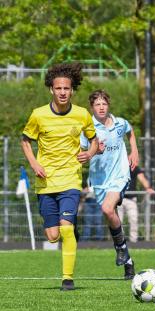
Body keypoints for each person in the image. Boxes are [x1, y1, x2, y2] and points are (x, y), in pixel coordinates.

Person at [21, 63, 98, 291]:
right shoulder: (39, 115)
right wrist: (34, 163)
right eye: (58, 88)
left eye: (67, 88)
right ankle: (66, 228)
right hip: (45, 182)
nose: (63, 92)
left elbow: (94, 140)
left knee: (66, 228)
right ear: (51, 90)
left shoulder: (82, 114)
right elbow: (25, 141)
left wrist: (90, 153)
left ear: (72, 90)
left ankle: (67, 278)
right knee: (53, 236)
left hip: (70, 180)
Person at [80, 89, 138, 279]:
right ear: (92, 107)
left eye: (104, 103)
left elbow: (130, 132)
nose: (101, 107)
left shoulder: (120, 123)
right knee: (109, 213)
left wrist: (134, 151)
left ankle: (121, 249)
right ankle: (127, 258)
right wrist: (93, 151)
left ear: (108, 105)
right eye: (97, 104)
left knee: (107, 209)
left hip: (120, 175)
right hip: (99, 181)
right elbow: (81, 156)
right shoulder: (88, 128)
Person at [117, 166, 154, 243]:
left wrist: (148, 187)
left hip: (131, 199)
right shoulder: (117, 166)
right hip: (118, 198)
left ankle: (134, 241)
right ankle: (119, 241)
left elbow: (142, 178)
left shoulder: (134, 168)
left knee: (134, 220)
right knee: (118, 221)